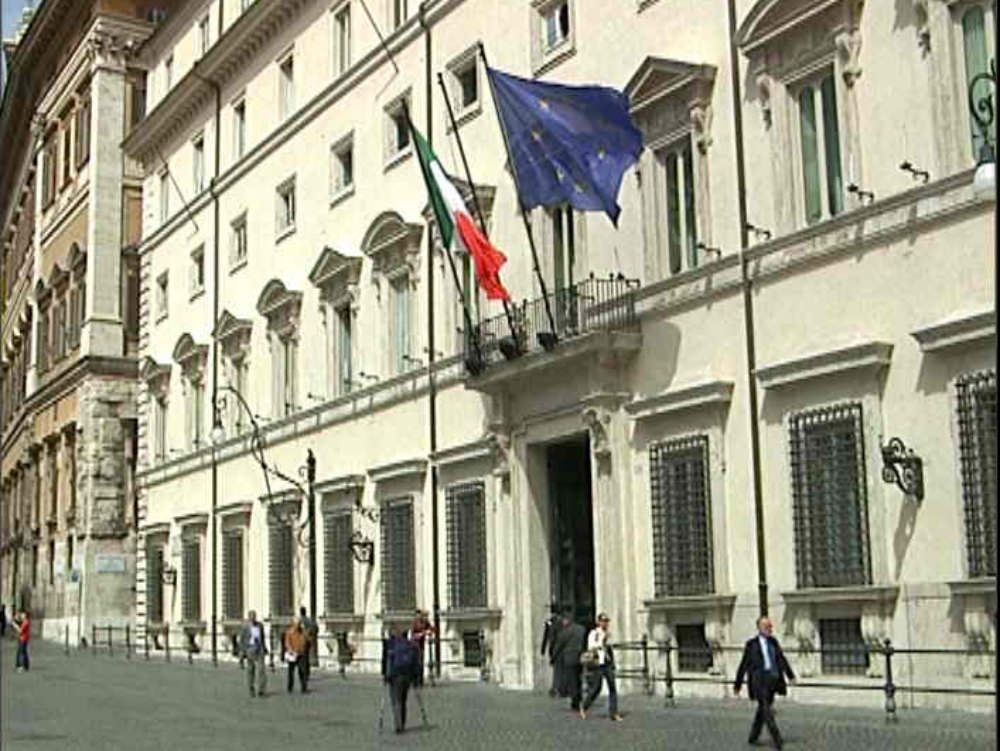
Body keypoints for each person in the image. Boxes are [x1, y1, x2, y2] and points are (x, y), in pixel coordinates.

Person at [734, 616, 796, 750]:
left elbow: (781, 659)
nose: (769, 629)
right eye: (766, 626)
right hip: (759, 682)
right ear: (759, 628)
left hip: (772, 680)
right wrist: (737, 684)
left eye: (770, 626)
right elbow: (744, 664)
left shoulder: (773, 642)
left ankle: (753, 736)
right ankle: (777, 740)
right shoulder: (751, 644)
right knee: (767, 711)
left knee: (762, 710)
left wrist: (790, 675)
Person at [580, 612, 622, 721]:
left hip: (607, 662)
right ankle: (584, 706)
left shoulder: (608, 633)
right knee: (596, 688)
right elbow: (592, 647)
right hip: (598, 663)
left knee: (612, 687)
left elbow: (610, 648)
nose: (605, 623)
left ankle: (614, 712)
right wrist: (603, 640)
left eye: (606, 621)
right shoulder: (594, 633)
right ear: (598, 622)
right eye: (603, 621)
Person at [382, 626, 420, 734]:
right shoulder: (410, 646)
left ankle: (398, 725)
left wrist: (386, 676)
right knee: (403, 701)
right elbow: (416, 663)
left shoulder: (392, 645)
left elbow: (388, 661)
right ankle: (402, 723)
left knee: (396, 701)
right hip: (407, 677)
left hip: (395, 676)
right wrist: (415, 678)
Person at [551, 612, 587, 711]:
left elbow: (558, 646)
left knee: (572, 680)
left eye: (563, 621)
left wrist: (553, 657)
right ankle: (579, 698)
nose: (562, 623)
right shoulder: (581, 629)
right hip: (579, 657)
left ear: (567, 620)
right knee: (578, 678)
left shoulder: (565, 632)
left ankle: (575, 701)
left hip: (569, 658)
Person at [239, 610, 269, 698]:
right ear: (249, 618)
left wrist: (264, 647)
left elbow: (262, 637)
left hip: (259, 648)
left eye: (254, 616)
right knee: (250, 670)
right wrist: (242, 652)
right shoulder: (245, 627)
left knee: (261, 670)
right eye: (251, 617)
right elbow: (242, 640)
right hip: (250, 649)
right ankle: (251, 688)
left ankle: (261, 690)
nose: (253, 618)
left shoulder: (260, 626)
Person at [540, 603, 562, 696]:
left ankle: (556, 687)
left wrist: (543, 648)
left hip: (556, 648)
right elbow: (546, 636)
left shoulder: (555, 622)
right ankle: (556, 687)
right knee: (557, 668)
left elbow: (546, 636)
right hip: (555, 648)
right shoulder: (551, 622)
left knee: (557, 668)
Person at [408, 609, 434, 687]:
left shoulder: (425, 621)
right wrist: (421, 634)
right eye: (418, 615)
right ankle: (414, 681)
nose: (419, 616)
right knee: (415, 663)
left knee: (420, 663)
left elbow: (432, 629)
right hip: (414, 645)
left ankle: (420, 681)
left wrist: (428, 632)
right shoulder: (414, 622)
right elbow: (412, 634)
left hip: (421, 645)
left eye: (420, 615)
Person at [283, 617, 310, 693]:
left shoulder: (303, 632)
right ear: (293, 624)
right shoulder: (289, 632)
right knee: (291, 672)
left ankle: (303, 687)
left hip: (301, 653)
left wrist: (305, 632)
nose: (298, 625)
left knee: (302, 671)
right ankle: (290, 687)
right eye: (297, 624)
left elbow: (307, 640)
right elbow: (287, 642)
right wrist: (290, 650)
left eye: (299, 624)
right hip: (293, 654)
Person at [298, 606, 318, 685]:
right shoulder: (309, 620)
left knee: (301, 659)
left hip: (301, 642)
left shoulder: (299, 621)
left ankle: (303, 674)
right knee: (306, 658)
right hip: (308, 641)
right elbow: (315, 628)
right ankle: (307, 673)